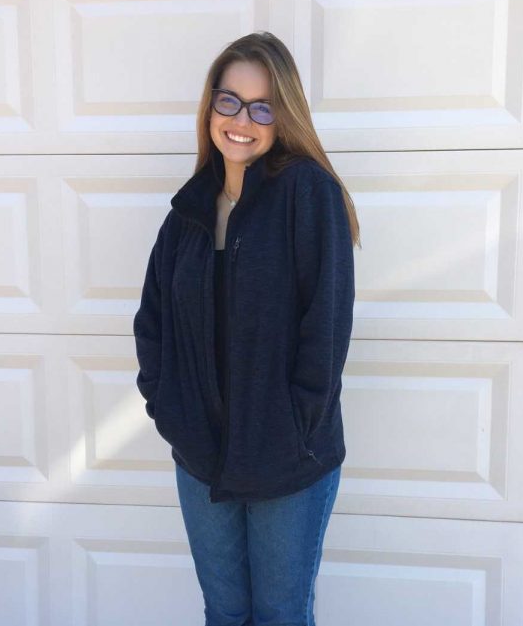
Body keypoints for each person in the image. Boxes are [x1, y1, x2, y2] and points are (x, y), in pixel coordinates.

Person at [133, 31, 360, 626]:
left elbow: (328, 325)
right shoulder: (187, 213)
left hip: (288, 460)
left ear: (282, 117)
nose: (242, 119)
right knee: (226, 612)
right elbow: (152, 320)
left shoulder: (308, 194)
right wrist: (168, 407)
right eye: (229, 100)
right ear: (211, 105)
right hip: (202, 456)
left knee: (281, 614)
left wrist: (295, 423)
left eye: (263, 107)